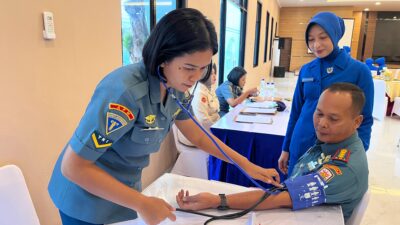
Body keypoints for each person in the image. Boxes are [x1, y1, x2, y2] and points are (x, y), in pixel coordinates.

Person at [48, 8, 280, 225]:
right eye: (189, 67)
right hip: (86, 199)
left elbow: (199, 137)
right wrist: (141, 203)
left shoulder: (174, 87)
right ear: (163, 57)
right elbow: (74, 167)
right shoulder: (124, 93)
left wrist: (245, 164)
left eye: (203, 68)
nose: (195, 77)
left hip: (125, 191)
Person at [177, 83, 369, 221]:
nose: (322, 123)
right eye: (319, 113)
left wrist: (217, 200)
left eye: (333, 119)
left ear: (357, 122)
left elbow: (281, 199)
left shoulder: (344, 167)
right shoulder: (331, 142)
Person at [278, 11, 374, 176]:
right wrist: (286, 148)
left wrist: (356, 154)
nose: (316, 45)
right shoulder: (307, 70)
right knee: (292, 193)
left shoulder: (359, 71)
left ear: (335, 35)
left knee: (321, 197)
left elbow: (365, 120)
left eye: (323, 37)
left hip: (335, 151)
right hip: (301, 144)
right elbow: (296, 112)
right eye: (311, 39)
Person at [177, 62, 220, 146]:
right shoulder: (199, 92)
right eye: (211, 74)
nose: (215, 76)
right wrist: (218, 131)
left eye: (215, 73)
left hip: (210, 128)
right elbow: (203, 120)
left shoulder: (210, 89)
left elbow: (216, 111)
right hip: (198, 134)